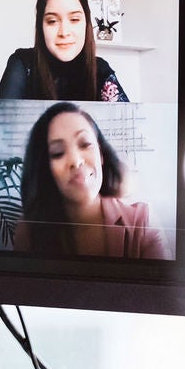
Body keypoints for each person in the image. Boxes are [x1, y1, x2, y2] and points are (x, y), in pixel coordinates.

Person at [11, 102, 169, 259]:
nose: (76, 160)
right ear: (45, 169)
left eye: (85, 144)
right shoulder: (29, 231)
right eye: (58, 152)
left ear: (101, 154)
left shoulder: (142, 221)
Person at [0, 0, 129, 102]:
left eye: (74, 19)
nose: (64, 32)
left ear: (86, 23)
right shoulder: (22, 64)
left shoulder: (100, 70)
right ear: (40, 26)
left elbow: (128, 122)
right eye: (52, 21)